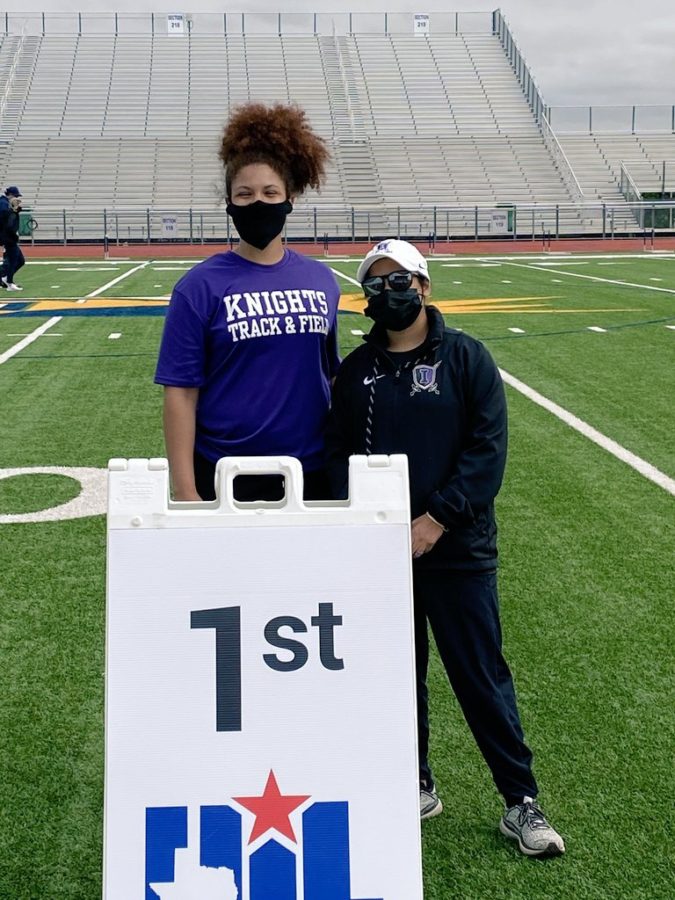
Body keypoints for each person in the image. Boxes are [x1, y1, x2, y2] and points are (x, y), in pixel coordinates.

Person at [324, 239, 565, 857]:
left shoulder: (467, 359)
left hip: (458, 551)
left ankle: (521, 801)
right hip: (383, 554)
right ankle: (416, 782)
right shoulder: (357, 373)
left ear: (424, 285)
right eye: (376, 284)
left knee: (481, 677)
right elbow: (336, 456)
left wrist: (436, 519)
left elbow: (487, 454)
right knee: (399, 677)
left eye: (400, 279)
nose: (389, 292)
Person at [155, 103, 340, 502]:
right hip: (224, 471)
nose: (258, 202)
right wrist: (185, 489)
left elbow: (330, 375)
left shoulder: (322, 280)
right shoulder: (198, 286)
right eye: (245, 193)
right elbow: (181, 394)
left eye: (270, 192)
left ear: (290, 197)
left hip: (310, 470)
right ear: (229, 203)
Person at [0, 186, 25, 291]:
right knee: (12, 260)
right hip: (8, 237)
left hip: (8, 237)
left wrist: (15, 211)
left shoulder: (5, 203)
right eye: (15, 196)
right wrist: (14, 211)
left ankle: (6, 279)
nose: (16, 198)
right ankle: (9, 282)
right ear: (10, 195)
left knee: (20, 260)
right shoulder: (3, 204)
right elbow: (5, 221)